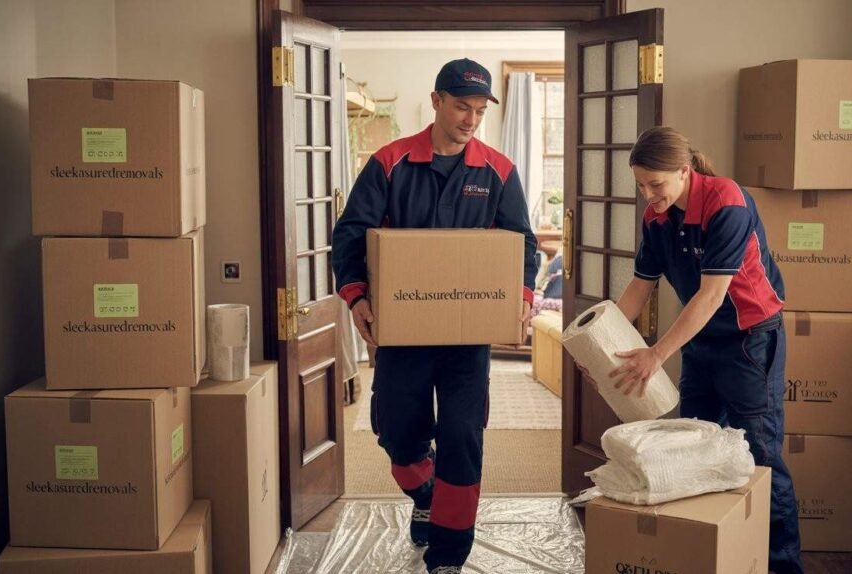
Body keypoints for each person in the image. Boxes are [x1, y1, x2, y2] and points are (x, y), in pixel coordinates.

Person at [332, 58, 537, 574]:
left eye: (479, 110)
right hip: (404, 333)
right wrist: (357, 297)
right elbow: (351, 235)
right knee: (397, 434)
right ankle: (425, 490)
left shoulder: (498, 171)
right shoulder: (390, 163)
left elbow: (523, 247)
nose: (470, 119)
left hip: (468, 337)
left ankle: (447, 556)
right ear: (437, 101)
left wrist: (522, 298)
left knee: (463, 437)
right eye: (462, 106)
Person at [580, 126, 804, 574]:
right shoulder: (656, 219)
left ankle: (780, 566)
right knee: (693, 453)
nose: (648, 194)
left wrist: (656, 354)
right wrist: (602, 353)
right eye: (641, 184)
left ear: (684, 171)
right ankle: (712, 555)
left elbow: (711, 296)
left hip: (749, 340)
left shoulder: (727, 202)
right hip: (700, 341)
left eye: (656, 184)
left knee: (760, 457)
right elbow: (639, 289)